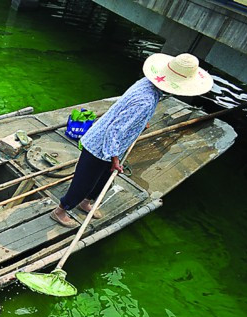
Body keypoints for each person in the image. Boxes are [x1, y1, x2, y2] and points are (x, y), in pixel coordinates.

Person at [51, 52, 213, 227]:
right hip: (100, 145)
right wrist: (114, 159)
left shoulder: (146, 84)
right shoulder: (146, 101)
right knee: (84, 181)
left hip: (114, 145)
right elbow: (115, 130)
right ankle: (60, 211)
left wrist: (141, 121)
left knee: (104, 178)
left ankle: (86, 202)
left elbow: (126, 111)